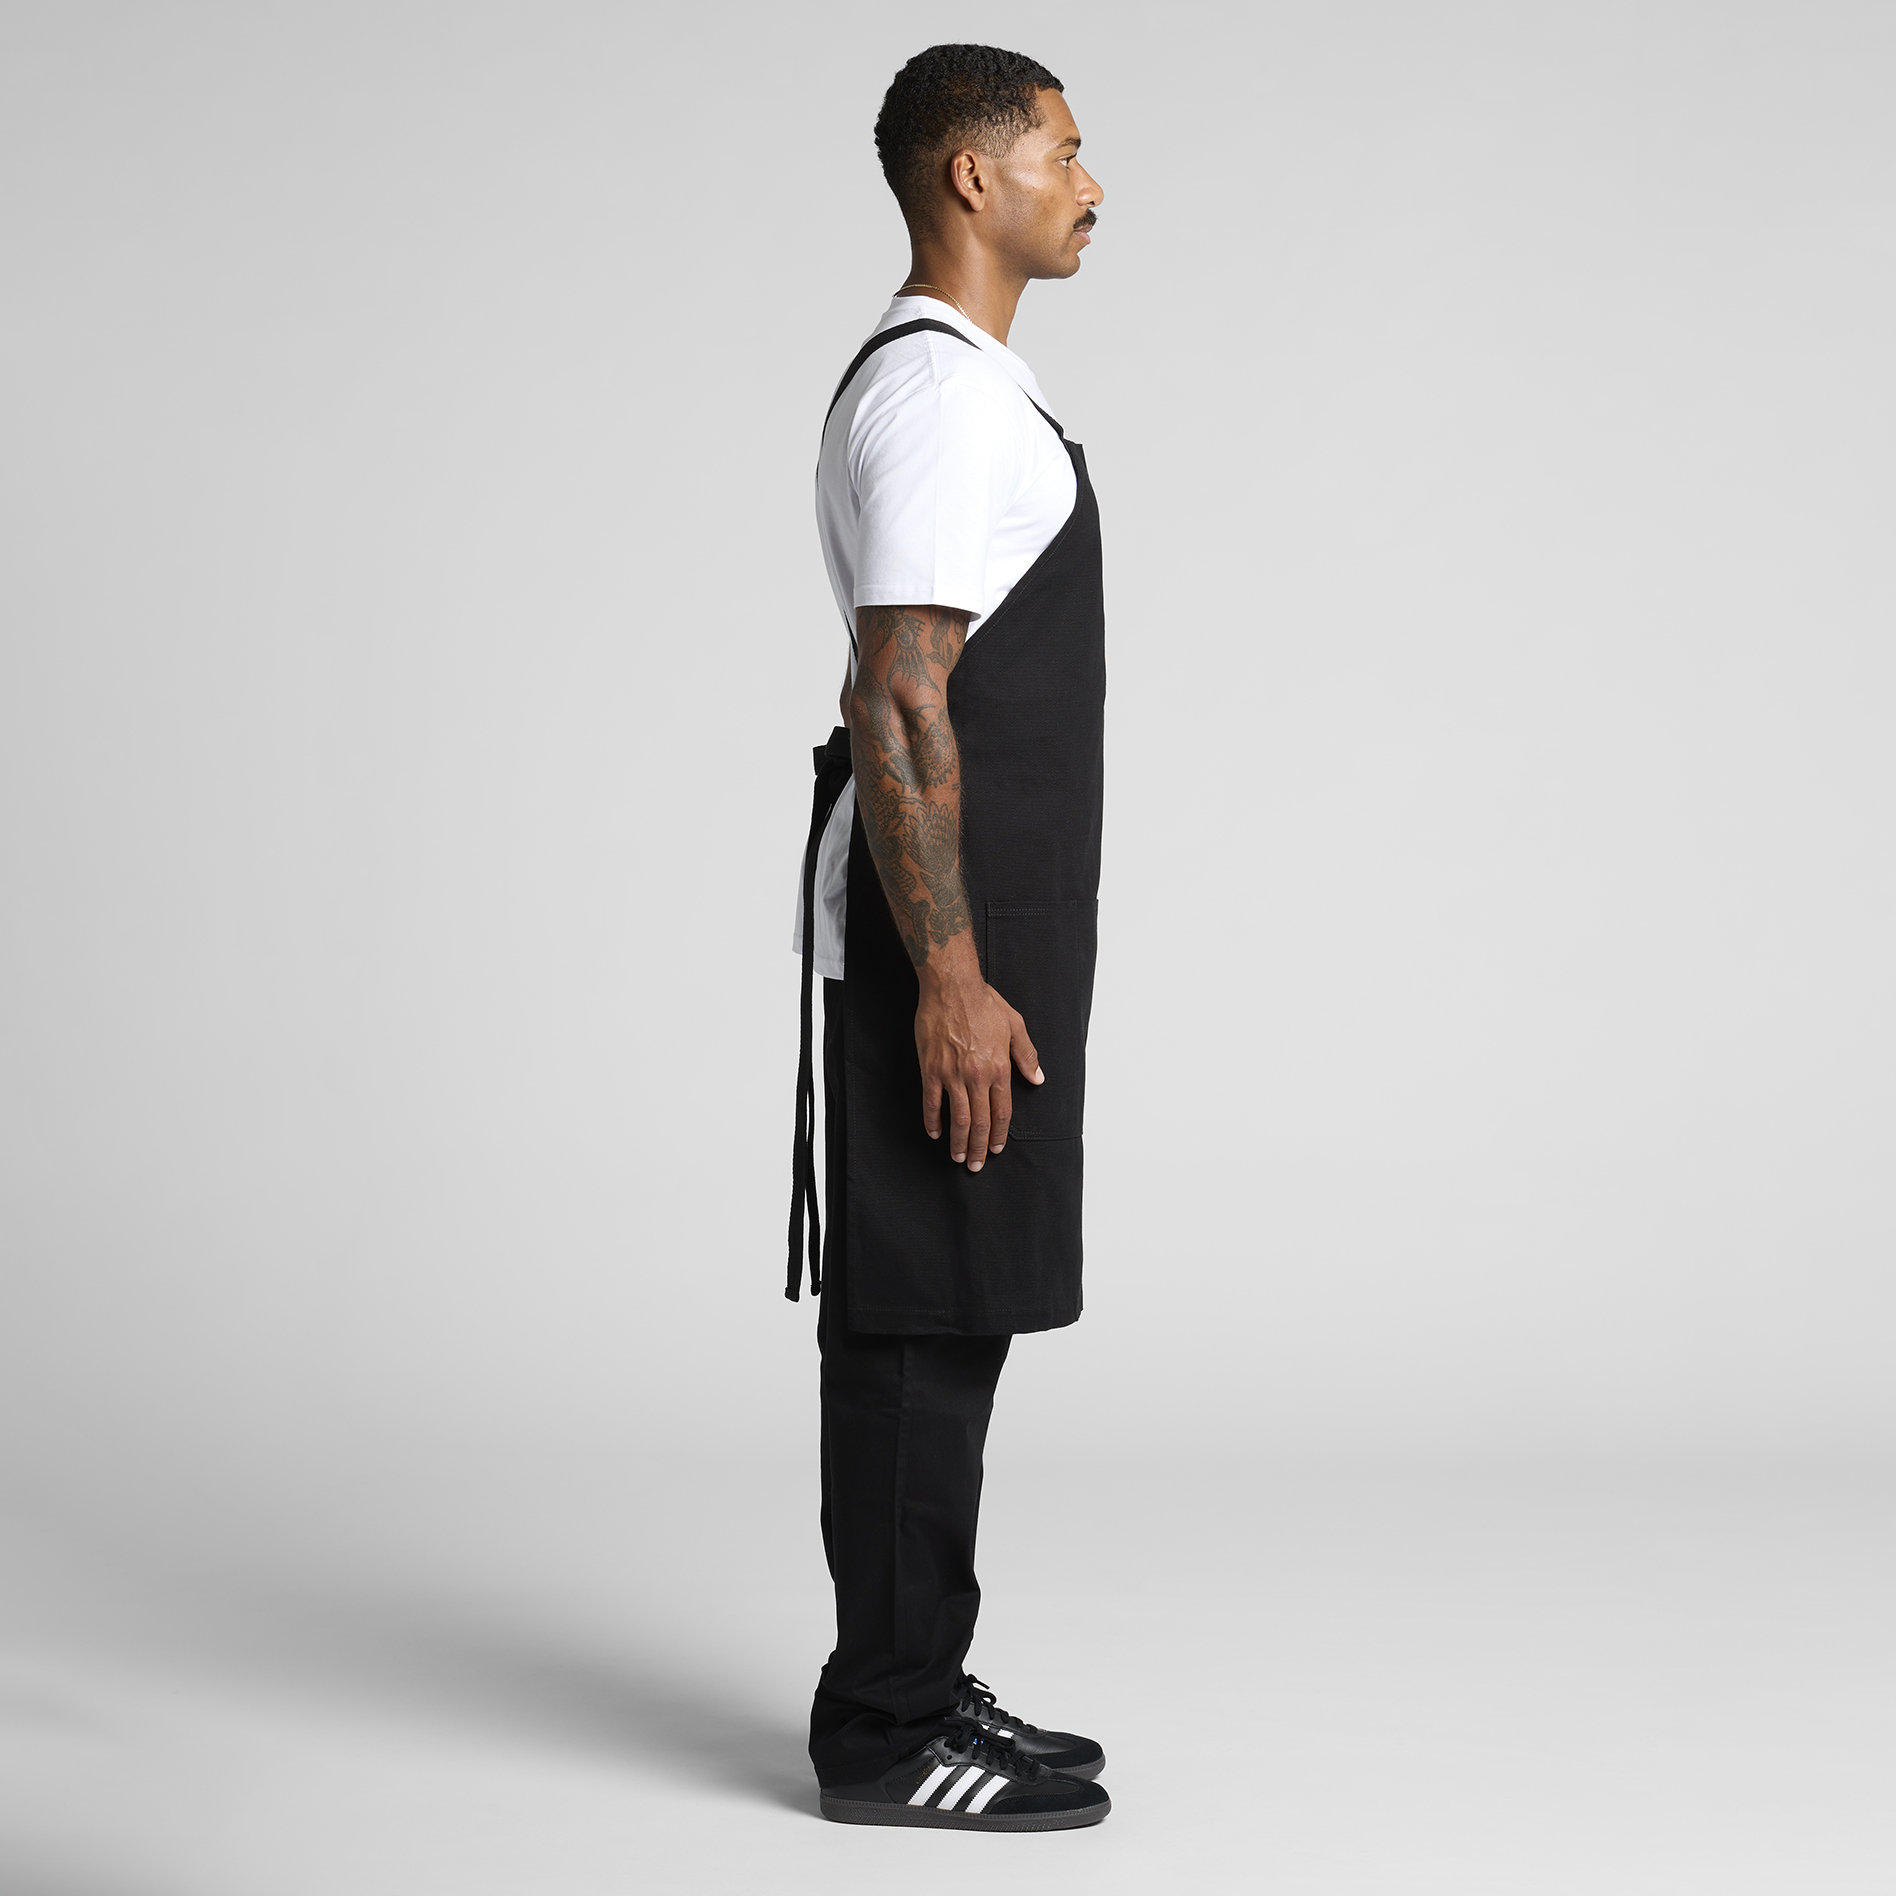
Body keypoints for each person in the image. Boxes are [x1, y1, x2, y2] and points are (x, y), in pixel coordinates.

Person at [787, 45, 1111, 1833]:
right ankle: (887, 1728)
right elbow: (901, 697)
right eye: (1063, 150)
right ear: (970, 177)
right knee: (917, 1312)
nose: (1091, 183)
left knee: (956, 1300)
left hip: (982, 916)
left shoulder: (976, 389)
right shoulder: (938, 398)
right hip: (948, 934)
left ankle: (915, 1674)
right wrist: (956, 980)